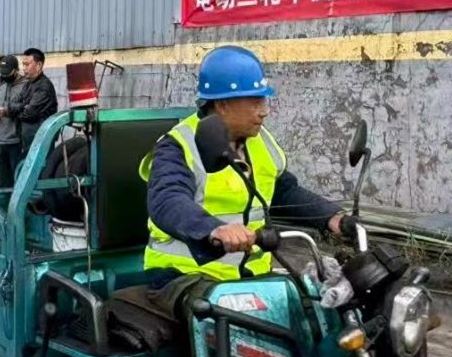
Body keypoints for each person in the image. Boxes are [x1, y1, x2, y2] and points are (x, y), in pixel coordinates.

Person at [140, 46, 346, 316]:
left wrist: (332, 217)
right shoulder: (179, 145)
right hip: (184, 276)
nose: (264, 111)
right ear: (223, 104)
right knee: (243, 322)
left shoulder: (260, 142)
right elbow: (167, 200)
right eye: (255, 102)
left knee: (313, 312)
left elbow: (283, 191)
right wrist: (213, 229)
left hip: (251, 276)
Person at [5, 47, 57, 151]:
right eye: (23, 64)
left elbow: (29, 113)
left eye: (27, 64)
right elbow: (12, 103)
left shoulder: (44, 87)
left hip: (40, 141)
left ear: (39, 65)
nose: (24, 68)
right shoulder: (28, 84)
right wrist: (23, 106)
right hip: (28, 139)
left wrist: (14, 111)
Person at [0, 55, 27, 187]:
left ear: (16, 70)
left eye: (7, 73)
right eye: (2, 73)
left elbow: (27, 110)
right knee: (3, 177)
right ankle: (5, 196)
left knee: (17, 175)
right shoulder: (2, 86)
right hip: (0, 139)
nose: (4, 76)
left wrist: (8, 112)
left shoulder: (25, 87)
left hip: (15, 140)